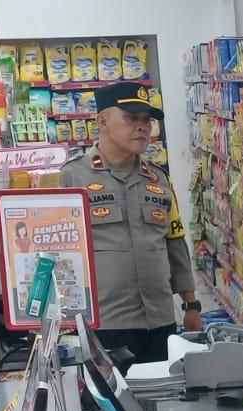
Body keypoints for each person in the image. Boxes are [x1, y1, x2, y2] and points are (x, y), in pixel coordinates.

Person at [60, 82, 200, 369]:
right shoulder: (70, 180)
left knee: (162, 404)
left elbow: (174, 241)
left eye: (146, 120)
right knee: (108, 409)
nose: (142, 127)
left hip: (160, 321)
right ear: (102, 122)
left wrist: (191, 305)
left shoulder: (159, 180)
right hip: (105, 323)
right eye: (131, 118)